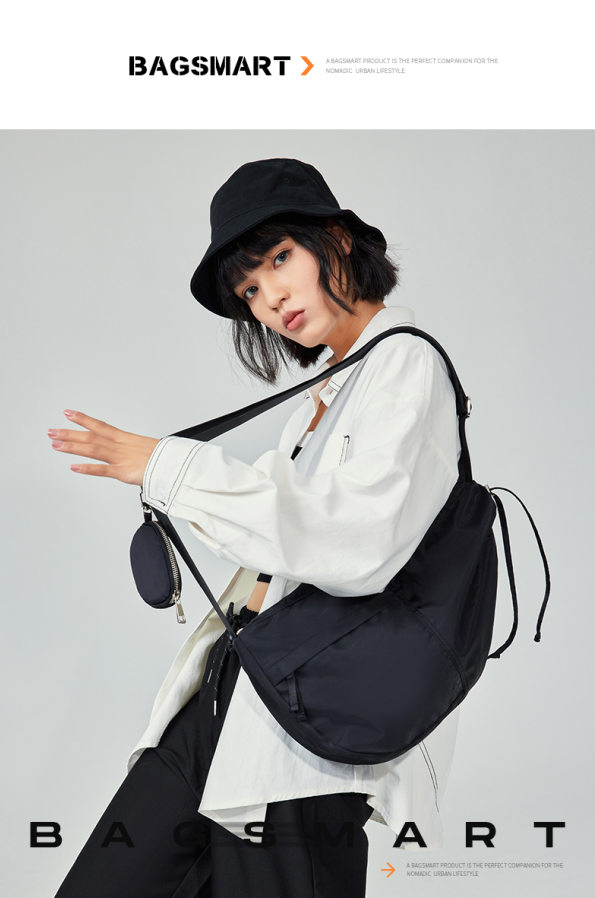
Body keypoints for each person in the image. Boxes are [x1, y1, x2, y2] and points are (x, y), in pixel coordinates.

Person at [48, 158, 461, 898]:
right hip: (233, 692)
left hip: (306, 732)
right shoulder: (327, 394)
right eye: (248, 289)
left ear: (336, 239)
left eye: (278, 258)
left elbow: (358, 540)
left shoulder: (406, 364)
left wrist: (165, 466)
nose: (268, 297)